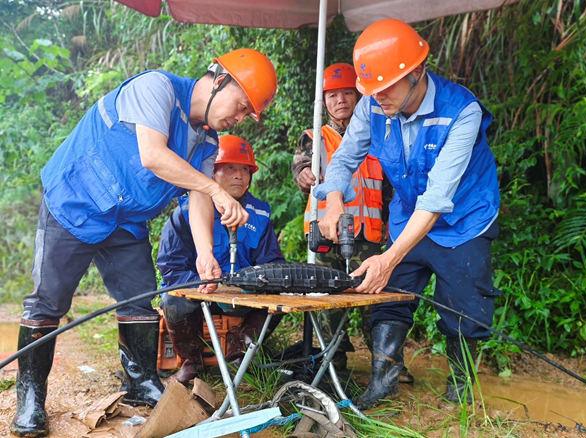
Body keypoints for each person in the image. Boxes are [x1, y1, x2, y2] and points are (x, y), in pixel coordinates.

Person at [11, 49, 277, 437]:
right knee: (48, 302)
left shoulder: (207, 139)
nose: (239, 118)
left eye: (246, 114)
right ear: (220, 79)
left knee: (138, 302)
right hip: (76, 202)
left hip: (127, 219)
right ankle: (31, 397)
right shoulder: (157, 88)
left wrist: (205, 253)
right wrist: (218, 192)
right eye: (240, 105)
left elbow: (198, 197)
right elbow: (153, 156)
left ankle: (139, 381)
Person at [313, 19, 500, 410]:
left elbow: (437, 199)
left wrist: (388, 256)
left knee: (464, 304)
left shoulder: (461, 112)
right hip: (408, 213)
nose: (377, 97)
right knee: (387, 295)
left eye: (386, 87)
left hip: (464, 219)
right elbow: (345, 159)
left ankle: (461, 388)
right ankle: (384, 382)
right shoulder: (371, 107)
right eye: (371, 90)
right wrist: (332, 201)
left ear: (417, 72)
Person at [291, 63, 414, 382]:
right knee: (329, 299)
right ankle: (336, 363)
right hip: (326, 233)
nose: (340, 100)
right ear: (324, 101)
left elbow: (391, 183)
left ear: (360, 95)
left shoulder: (379, 131)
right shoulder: (315, 135)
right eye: (333, 95)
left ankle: (386, 363)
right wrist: (304, 174)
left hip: (369, 233)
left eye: (347, 92)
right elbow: (302, 168)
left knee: (373, 296)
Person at [157, 135, 286, 385]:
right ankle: (192, 362)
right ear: (212, 173)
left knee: (281, 295)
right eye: (230, 168)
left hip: (245, 297)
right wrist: (203, 284)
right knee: (172, 299)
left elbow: (273, 265)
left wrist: (251, 283)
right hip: (202, 295)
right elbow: (171, 269)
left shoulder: (259, 214)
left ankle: (239, 360)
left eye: (245, 169)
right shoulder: (184, 213)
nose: (239, 175)